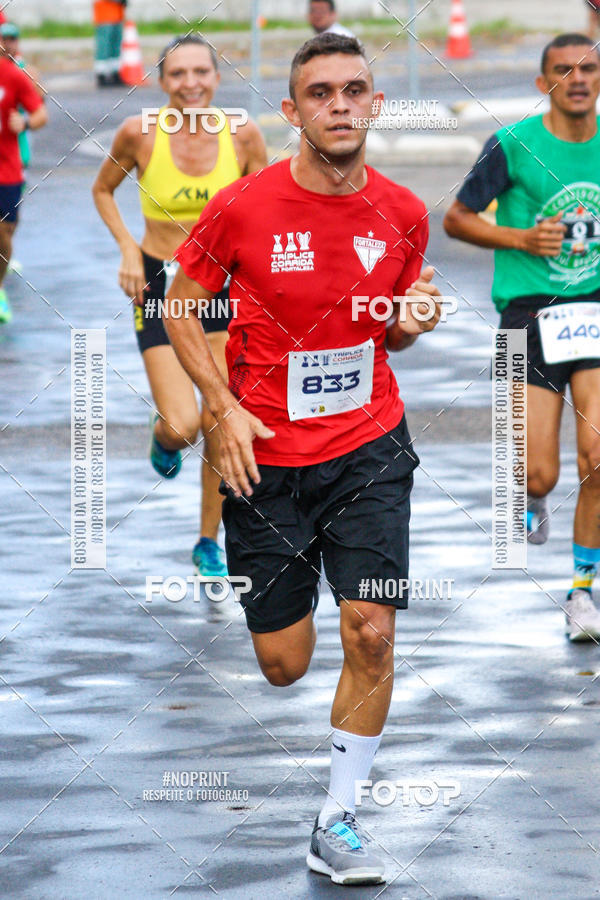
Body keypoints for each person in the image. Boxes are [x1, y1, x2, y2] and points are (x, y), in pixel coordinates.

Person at [166, 32, 441, 885]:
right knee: (283, 664)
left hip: (369, 446)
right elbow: (178, 300)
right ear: (293, 112)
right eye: (320, 94)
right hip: (264, 457)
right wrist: (220, 407)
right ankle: (295, 594)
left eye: (355, 90)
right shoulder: (246, 207)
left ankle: (337, 819)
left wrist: (412, 318)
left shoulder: (402, 213)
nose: (340, 106)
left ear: (376, 105)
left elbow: (386, 329)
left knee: (373, 630)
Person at [444, 33, 600, 642]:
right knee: (536, 475)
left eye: (589, 69)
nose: (579, 79)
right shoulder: (513, 145)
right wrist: (521, 239)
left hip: (596, 309)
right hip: (529, 317)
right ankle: (531, 501)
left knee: (598, 457)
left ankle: (582, 591)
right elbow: (456, 218)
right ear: (545, 85)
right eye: (565, 70)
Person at [92, 35, 267, 576]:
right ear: (161, 81)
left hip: (220, 287)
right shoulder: (139, 134)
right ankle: (163, 436)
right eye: (178, 74)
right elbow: (103, 190)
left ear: (216, 78)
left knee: (219, 413)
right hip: (159, 282)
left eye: (201, 72)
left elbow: (264, 209)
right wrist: (127, 248)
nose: (190, 84)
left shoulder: (243, 134)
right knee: (184, 422)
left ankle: (208, 539)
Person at [0, 33, 48, 323]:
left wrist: (26, 122)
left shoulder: (13, 76)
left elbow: (40, 113)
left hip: (7, 169)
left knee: (5, 233)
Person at [93, 0, 126, 87]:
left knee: (115, 48)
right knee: (104, 48)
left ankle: (115, 74)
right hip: (105, 15)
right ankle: (101, 75)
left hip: (116, 15)